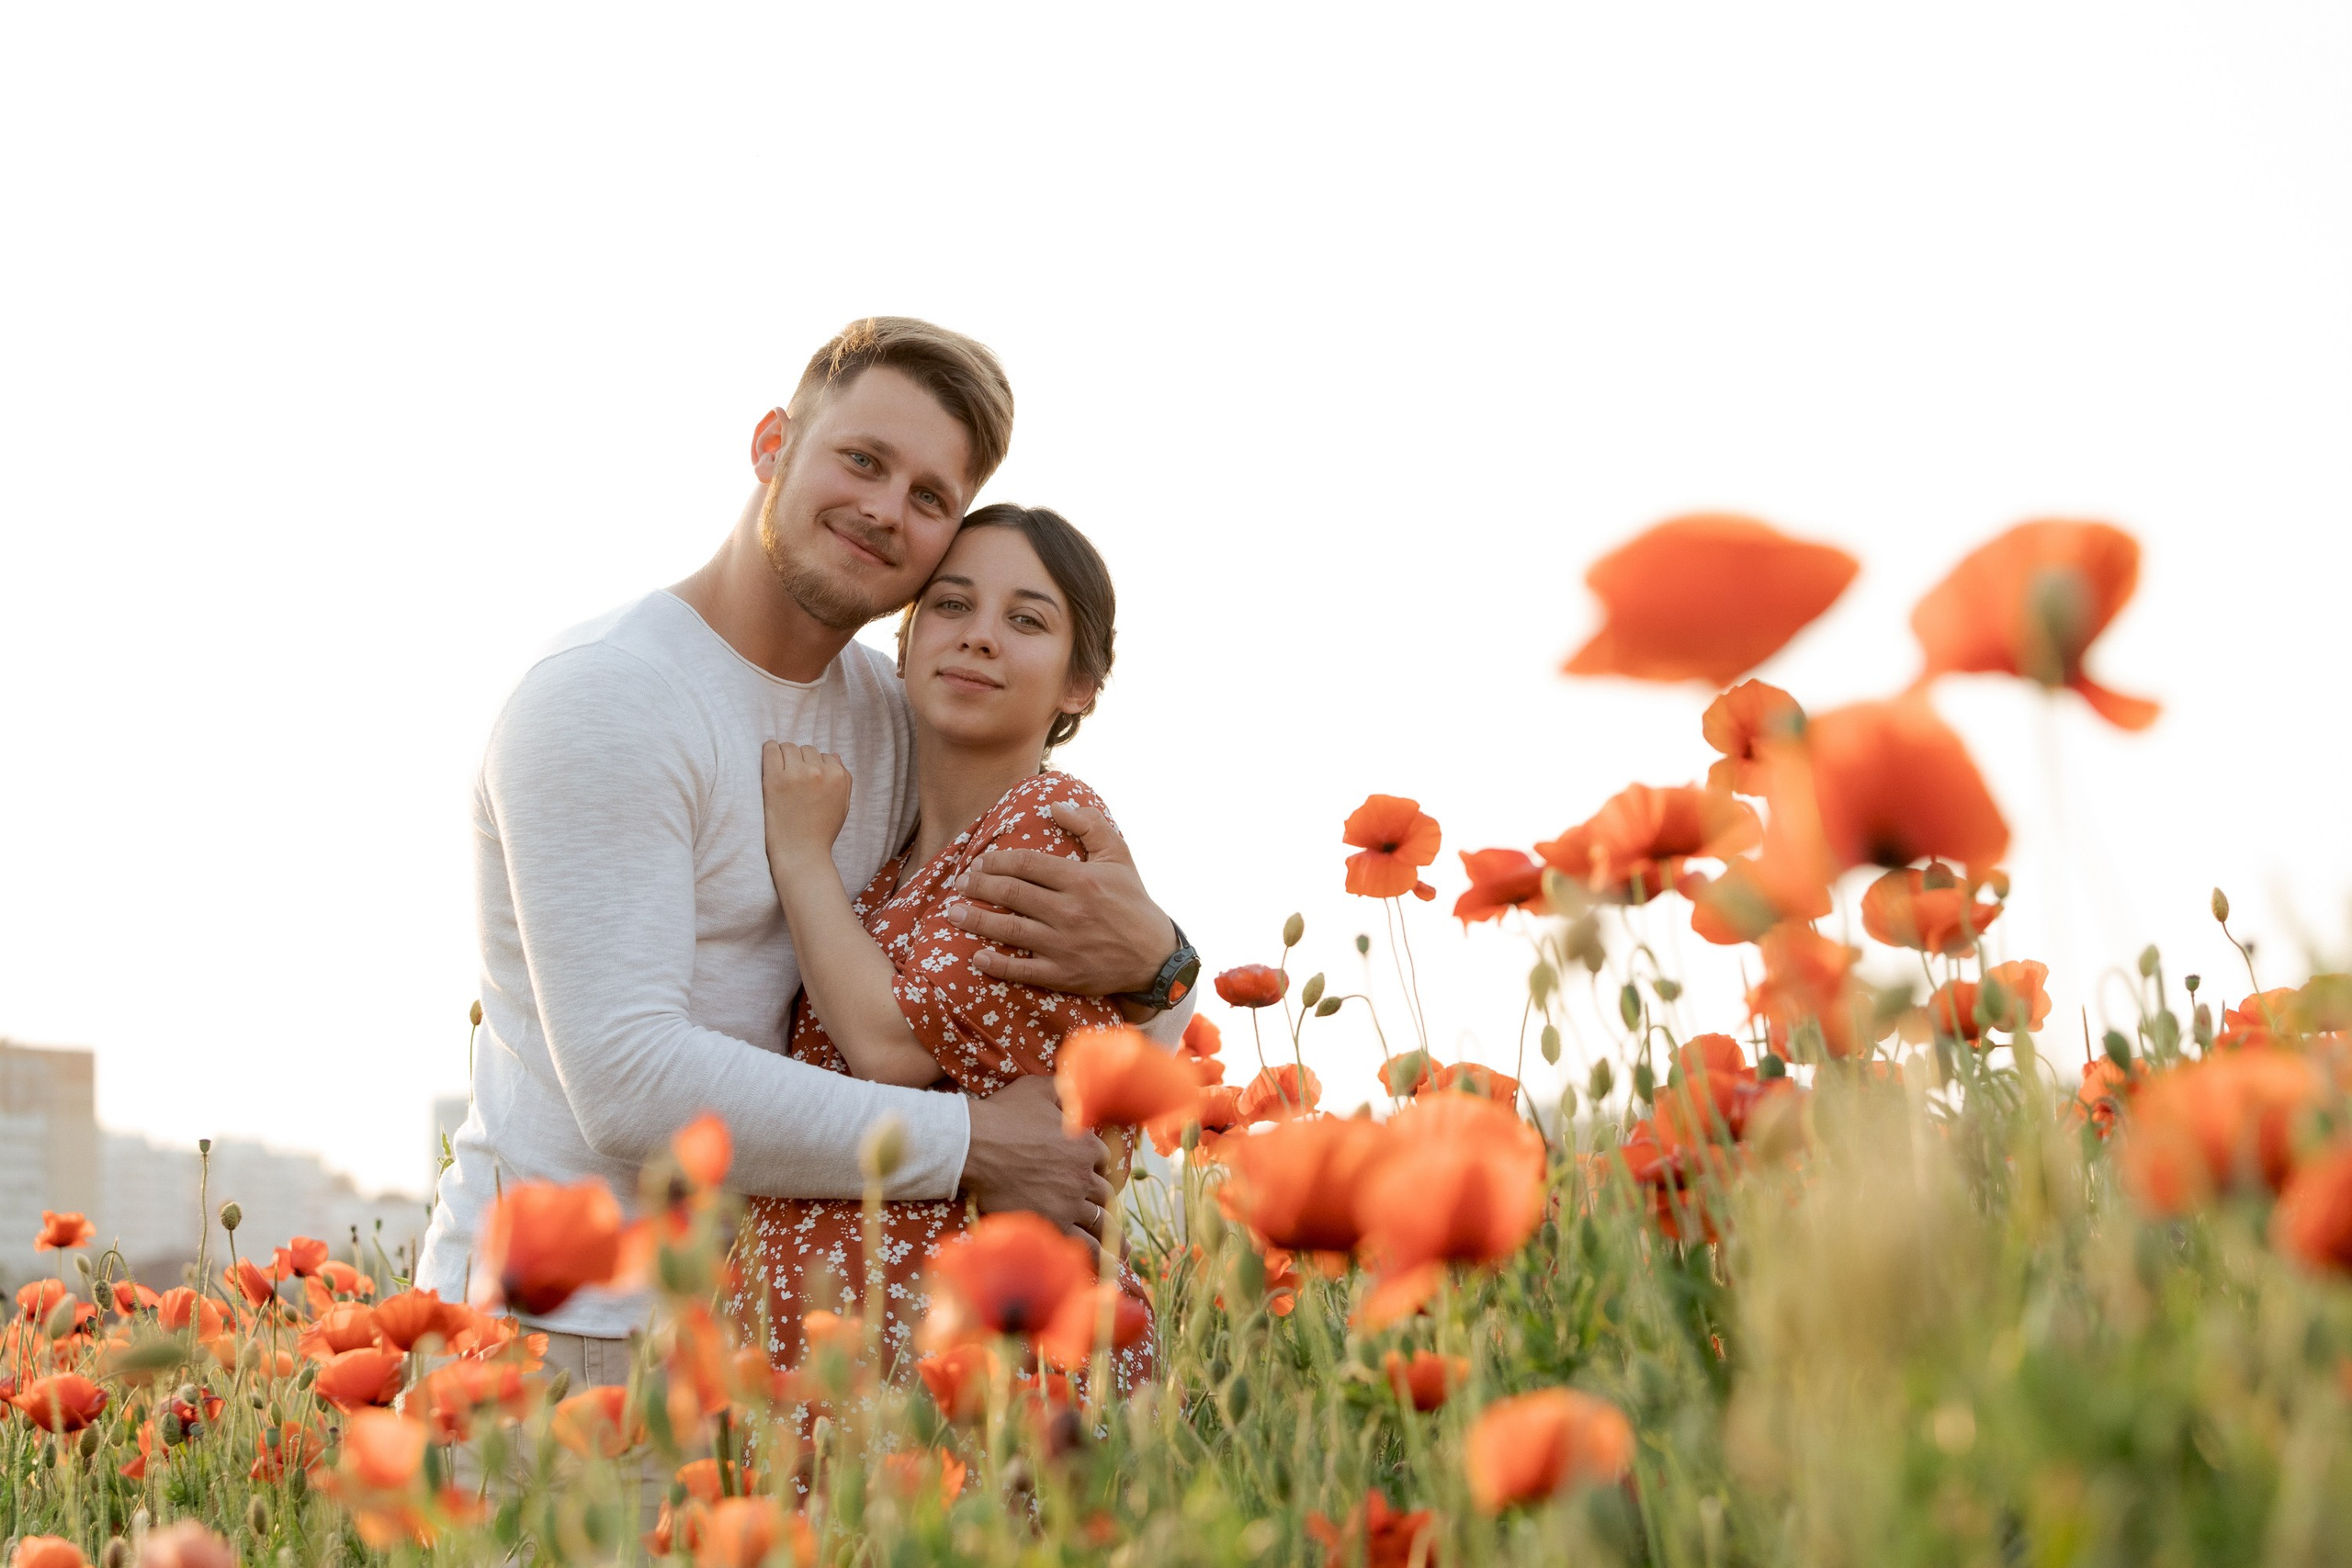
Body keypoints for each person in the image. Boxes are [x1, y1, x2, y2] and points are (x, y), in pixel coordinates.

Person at [414, 319, 1198, 1387]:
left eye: (930, 498)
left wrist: (1160, 961)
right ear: (771, 442)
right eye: (862, 460)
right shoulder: (610, 698)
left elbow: (1071, 987)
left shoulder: (897, 711)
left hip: (778, 1346)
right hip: (567, 1339)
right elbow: (630, 1082)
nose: (885, 509)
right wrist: (973, 1144)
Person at [739, 504, 1157, 1383]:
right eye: (952, 606)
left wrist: (799, 852)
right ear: (906, 643)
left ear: (1080, 685)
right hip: (855, 1370)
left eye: (1027, 619)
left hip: (985, 1363)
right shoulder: (890, 873)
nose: (980, 638)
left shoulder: (1045, 827)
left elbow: (890, 1046)